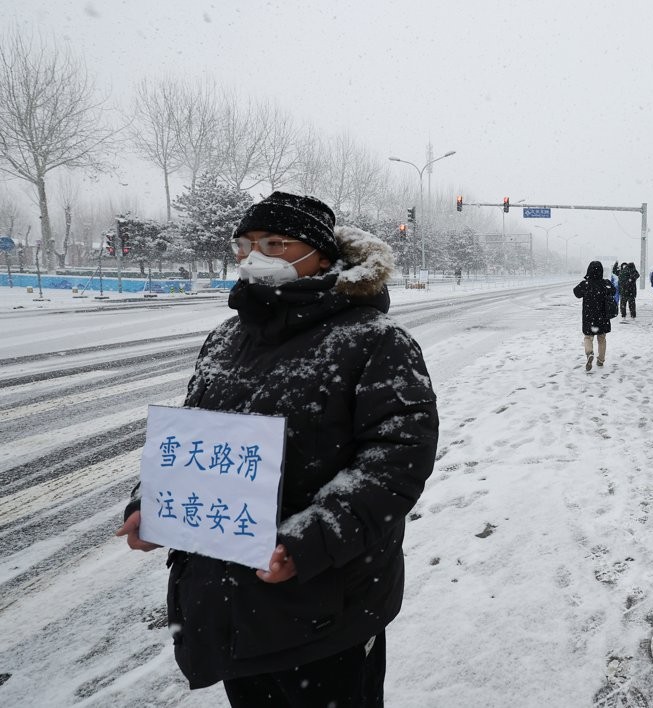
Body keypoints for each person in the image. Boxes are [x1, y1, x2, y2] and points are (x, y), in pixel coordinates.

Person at [115, 192, 439, 706]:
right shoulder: (227, 337)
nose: (253, 256)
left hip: (324, 607)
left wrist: (308, 541)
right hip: (227, 608)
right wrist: (152, 504)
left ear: (322, 257)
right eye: (244, 245)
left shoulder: (375, 341)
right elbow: (195, 440)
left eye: (274, 243)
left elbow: (395, 462)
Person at [573, 260, 615, 370]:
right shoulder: (605, 283)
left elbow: (576, 293)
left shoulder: (585, 284)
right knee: (602, 339)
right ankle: (600, 360)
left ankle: (589, 353)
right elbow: (614, 291)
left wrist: (586, 285)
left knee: (588, 337)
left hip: (589, 317)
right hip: (602, 316)